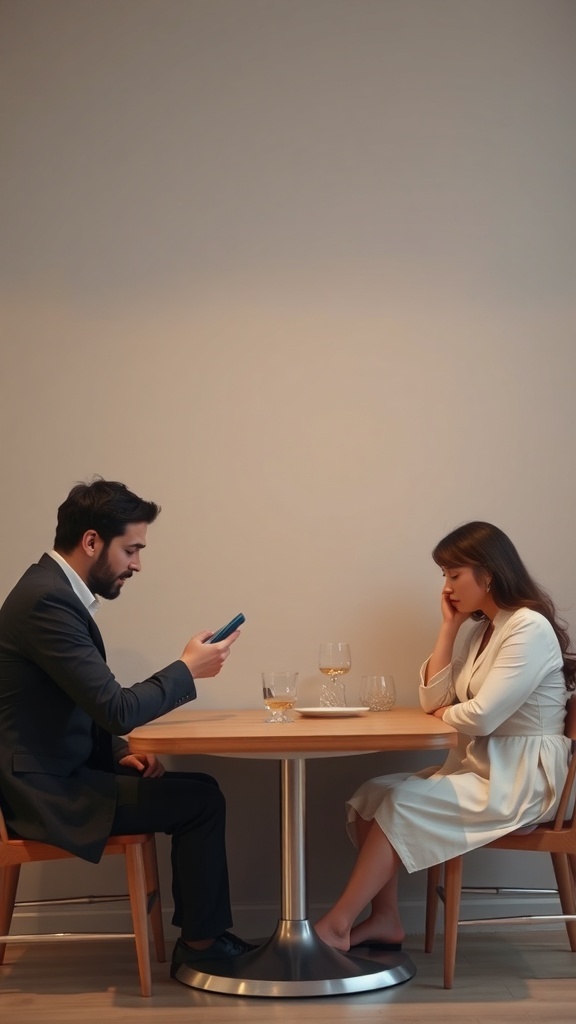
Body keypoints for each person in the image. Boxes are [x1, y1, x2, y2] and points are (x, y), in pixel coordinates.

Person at [0, 477, 254, 977]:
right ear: (92, 541)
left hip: (55, 773)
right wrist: (187, 669)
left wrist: (117, 754)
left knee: (200, 788)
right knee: (201, 801)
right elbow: (114, 707)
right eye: (131, 549)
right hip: (44, 791)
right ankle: (201, 944)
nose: (137, 564)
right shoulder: (46, 602)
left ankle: (203, 935)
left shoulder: (48, 592)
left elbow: (76, 702)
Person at [315, 521, 576, 952]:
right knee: (370, 797)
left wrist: (447, 712)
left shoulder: (527, 628)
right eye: (445, 577)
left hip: (525, 780)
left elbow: (482, 717)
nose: (448, 586)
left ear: (488, 574)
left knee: (399, 802)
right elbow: (432, 698)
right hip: (486, 767)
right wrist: (449, 628)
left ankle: (337, 925)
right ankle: (386, 920)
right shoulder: (482, 628)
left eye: (454, 575)